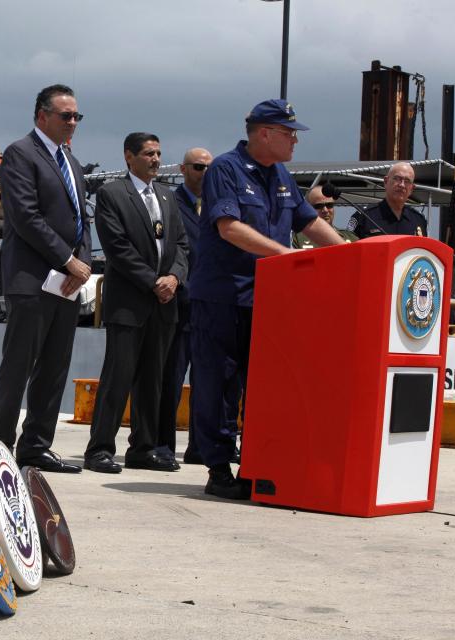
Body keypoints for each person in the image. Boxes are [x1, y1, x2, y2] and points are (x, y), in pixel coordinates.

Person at [190, 99, 343, 499]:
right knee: (218, 382)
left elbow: (309, 221)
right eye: (289, 133)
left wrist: (348, 255)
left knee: (264, 385)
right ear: (264, 133)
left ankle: (258, 461)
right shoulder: (226, 168)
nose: (295, 141)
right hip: (224, 296)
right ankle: (219, 468)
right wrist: (287, 255)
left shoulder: (281, 176)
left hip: (268, 300)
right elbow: (229, 228)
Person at [0, 84, 92, 474]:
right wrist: (67, 260)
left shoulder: (73, 163)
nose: (73, 122)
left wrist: (82, 264)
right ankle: (0, 444)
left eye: (76, 116)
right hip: (31, 281)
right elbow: (25, 217)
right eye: (66, 115)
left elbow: (82, 222)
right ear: (41, 115)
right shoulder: (20, 154)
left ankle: (36, 446)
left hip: (66, 284)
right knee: (19, 365)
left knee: (54, 367)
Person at [83, 132, 189, 474]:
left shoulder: (167, 196)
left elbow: (182, 245)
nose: (156, 159)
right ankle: (99, 449)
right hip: (130, 303)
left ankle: (143, 448)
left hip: (165, 304)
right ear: (129, 156)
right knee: (118, 376)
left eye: (158, 153)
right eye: (148, 154)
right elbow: (117, 247)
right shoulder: (112, 194)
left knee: (152, 380)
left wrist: (174, 277)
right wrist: (152, 281)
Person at [161, 148, 211, 466]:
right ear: (183, 169)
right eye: (197, 166)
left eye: (209, 167)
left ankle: (199, 446)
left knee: (207, 383)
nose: (204, 172)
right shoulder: (170, 203)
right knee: (172, 379)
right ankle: (164, 445)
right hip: (180, 304)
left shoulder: (218, 205)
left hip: (208, 305)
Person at [348, 162, 427, 239]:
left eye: (407, 181)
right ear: (386, 181)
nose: (402, 185)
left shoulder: (419, 220)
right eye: (397, 179)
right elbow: (347, 247)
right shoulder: (364, 216)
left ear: (412, 189)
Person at [293, 184, 357, 248]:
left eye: (329, 205)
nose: (325, 210)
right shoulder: (296, 239)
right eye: (318, 206)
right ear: (307, 208)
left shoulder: (351, 238)